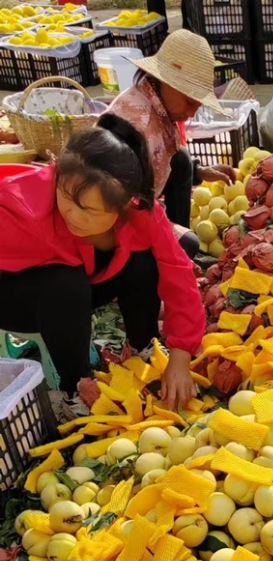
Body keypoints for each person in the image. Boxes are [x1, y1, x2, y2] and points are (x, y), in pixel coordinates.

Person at [0, 114, 204, 410]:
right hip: (16, 295)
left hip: (82, 283)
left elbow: (179, 276)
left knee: (144, 258)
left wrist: (181, 356)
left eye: (89, 210)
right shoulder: (19, 207)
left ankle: (142, 346)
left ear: (123, 206)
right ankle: (75, 389)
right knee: (65, 282)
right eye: (66, 197)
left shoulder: (140, 212)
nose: (73, 214)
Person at [109, 29, 237, 250]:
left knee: (182, 158)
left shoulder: (153, 103)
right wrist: (169, 234)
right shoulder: (132, 127)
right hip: (111, 224)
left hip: (137, 202)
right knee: (188, 244)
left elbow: (164, 155)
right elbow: (119, 208)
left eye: (198, 105)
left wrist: (199, 170)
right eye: (189, 102)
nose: (192, 113)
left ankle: (177, 240)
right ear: (165, 81)